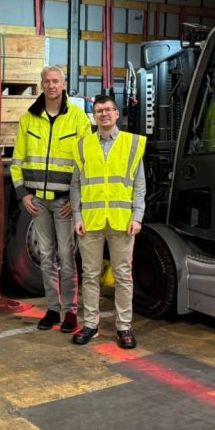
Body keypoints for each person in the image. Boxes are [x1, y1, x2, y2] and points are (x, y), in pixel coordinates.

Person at [10, 65, 92, 333]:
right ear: (42, 85)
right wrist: (23, 194)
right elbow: (17, 161)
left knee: (67, 257)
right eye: (47, 81)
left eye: (56, 81)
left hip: (65, 202)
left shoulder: (79, 120)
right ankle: (53, 309)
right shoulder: (28, 119)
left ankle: (71, 311)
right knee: (46, 257)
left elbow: (87, 165)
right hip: (39, 203)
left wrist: (76, 200)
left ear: (64, 84)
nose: (52, 85)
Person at [70, 95, 146, 349]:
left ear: (117, 114)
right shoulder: (83, 145)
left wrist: (137, 216)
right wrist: (77, 216)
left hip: (122, 221)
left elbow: (139, 185)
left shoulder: (132, 144)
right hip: (90, 220)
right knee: (90, 275)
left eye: (109, 110)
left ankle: (124, 327)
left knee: (123, 276)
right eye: (99, 110)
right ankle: (90, 325)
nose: (104, 114)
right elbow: (76, 185)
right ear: (93, 115)